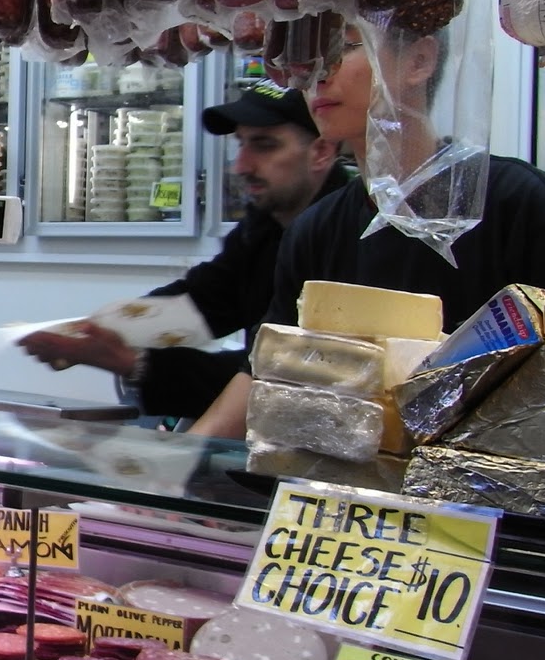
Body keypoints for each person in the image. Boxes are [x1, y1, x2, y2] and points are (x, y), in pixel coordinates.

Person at [188, 22, 545, 439]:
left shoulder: (523, 206)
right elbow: (272, 370)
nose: (316, 74)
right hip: (348, 497)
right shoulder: (315, 230)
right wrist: (180, 460)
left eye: (344, 47)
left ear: (419, 60)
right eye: (308, 56)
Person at [21, 81, 349, 425]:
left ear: (321, 151)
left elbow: (288, 375)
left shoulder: (348, 235)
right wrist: (96, 329)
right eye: (241, 145)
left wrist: (132, 362)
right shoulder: (266, 225)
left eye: (264, 146)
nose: (241, 165)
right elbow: (203, 302)